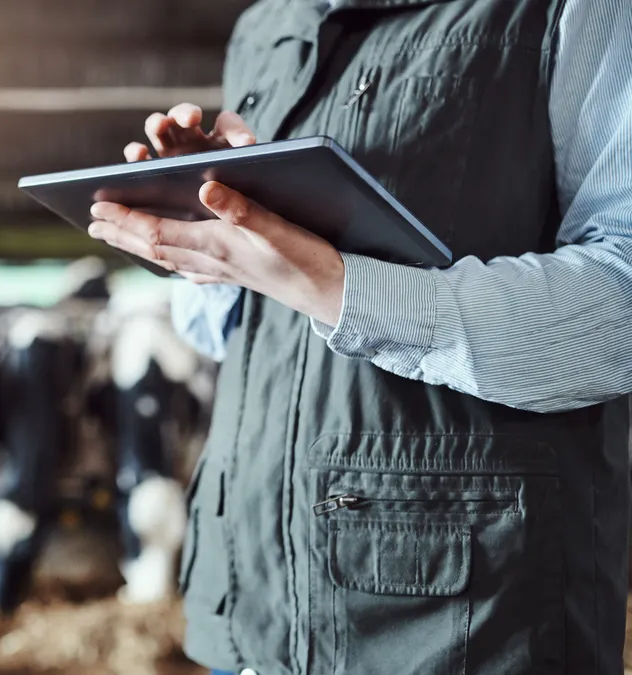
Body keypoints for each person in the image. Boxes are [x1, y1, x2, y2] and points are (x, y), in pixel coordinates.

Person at [86, 0, 632, 673]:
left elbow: (622, 299)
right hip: (248, 598)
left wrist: (341, 288)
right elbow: (225, 334)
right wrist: (213, 229)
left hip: (455, 617)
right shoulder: (266, 26)